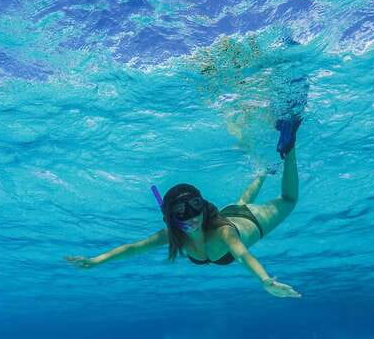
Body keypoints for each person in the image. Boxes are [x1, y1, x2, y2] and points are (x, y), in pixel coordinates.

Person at [65, 118, 303, 298]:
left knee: (289, 199)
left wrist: (265, 281)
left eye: (194, 206)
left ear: (203, 205)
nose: (191, 216)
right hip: (231, 211)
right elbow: (134, 248)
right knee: (240, 202)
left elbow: (243, 255)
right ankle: (262, 172)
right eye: (181, 211)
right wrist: (97, 261)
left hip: (251, 220)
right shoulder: (173, 235)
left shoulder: (223, 233)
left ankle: (288, 147)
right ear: (171, 216)